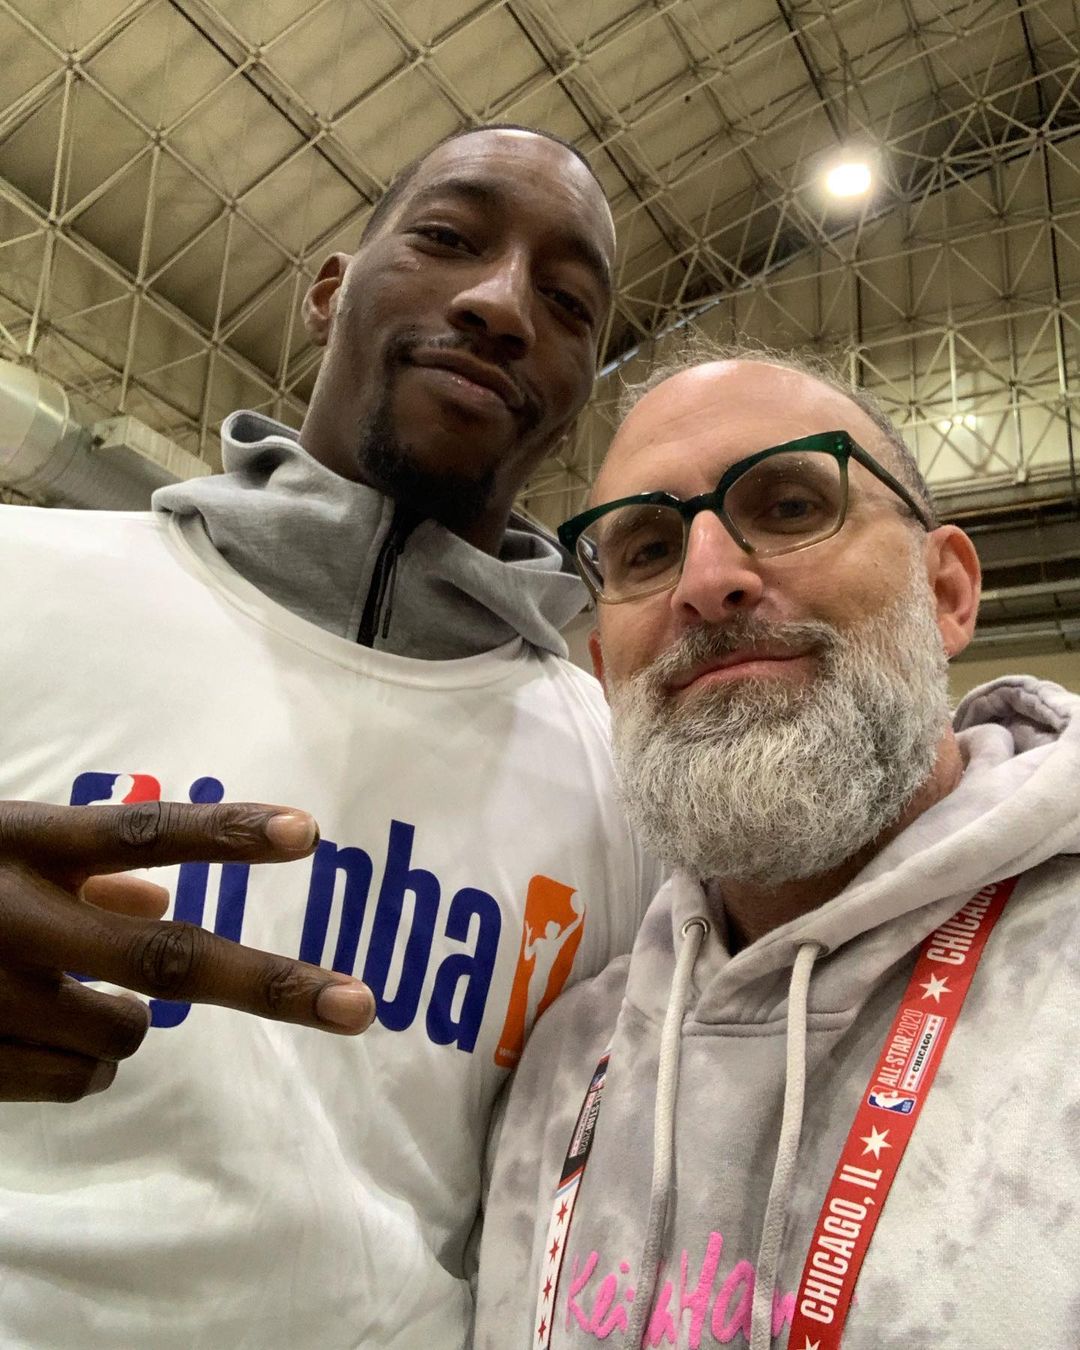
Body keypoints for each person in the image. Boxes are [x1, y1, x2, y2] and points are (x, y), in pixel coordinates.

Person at [0, 125, 661, 1349]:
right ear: (326, 291)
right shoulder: (19, 579)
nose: (501, 305)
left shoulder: (622, 788)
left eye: (568, 304)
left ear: (576, 397)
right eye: (448, 237)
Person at [473, 347, 1080, 1349]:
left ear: (946, 593)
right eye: (647, 550)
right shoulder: (568, 1061)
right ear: (605, 669)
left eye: (792, 506)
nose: (708, 581)